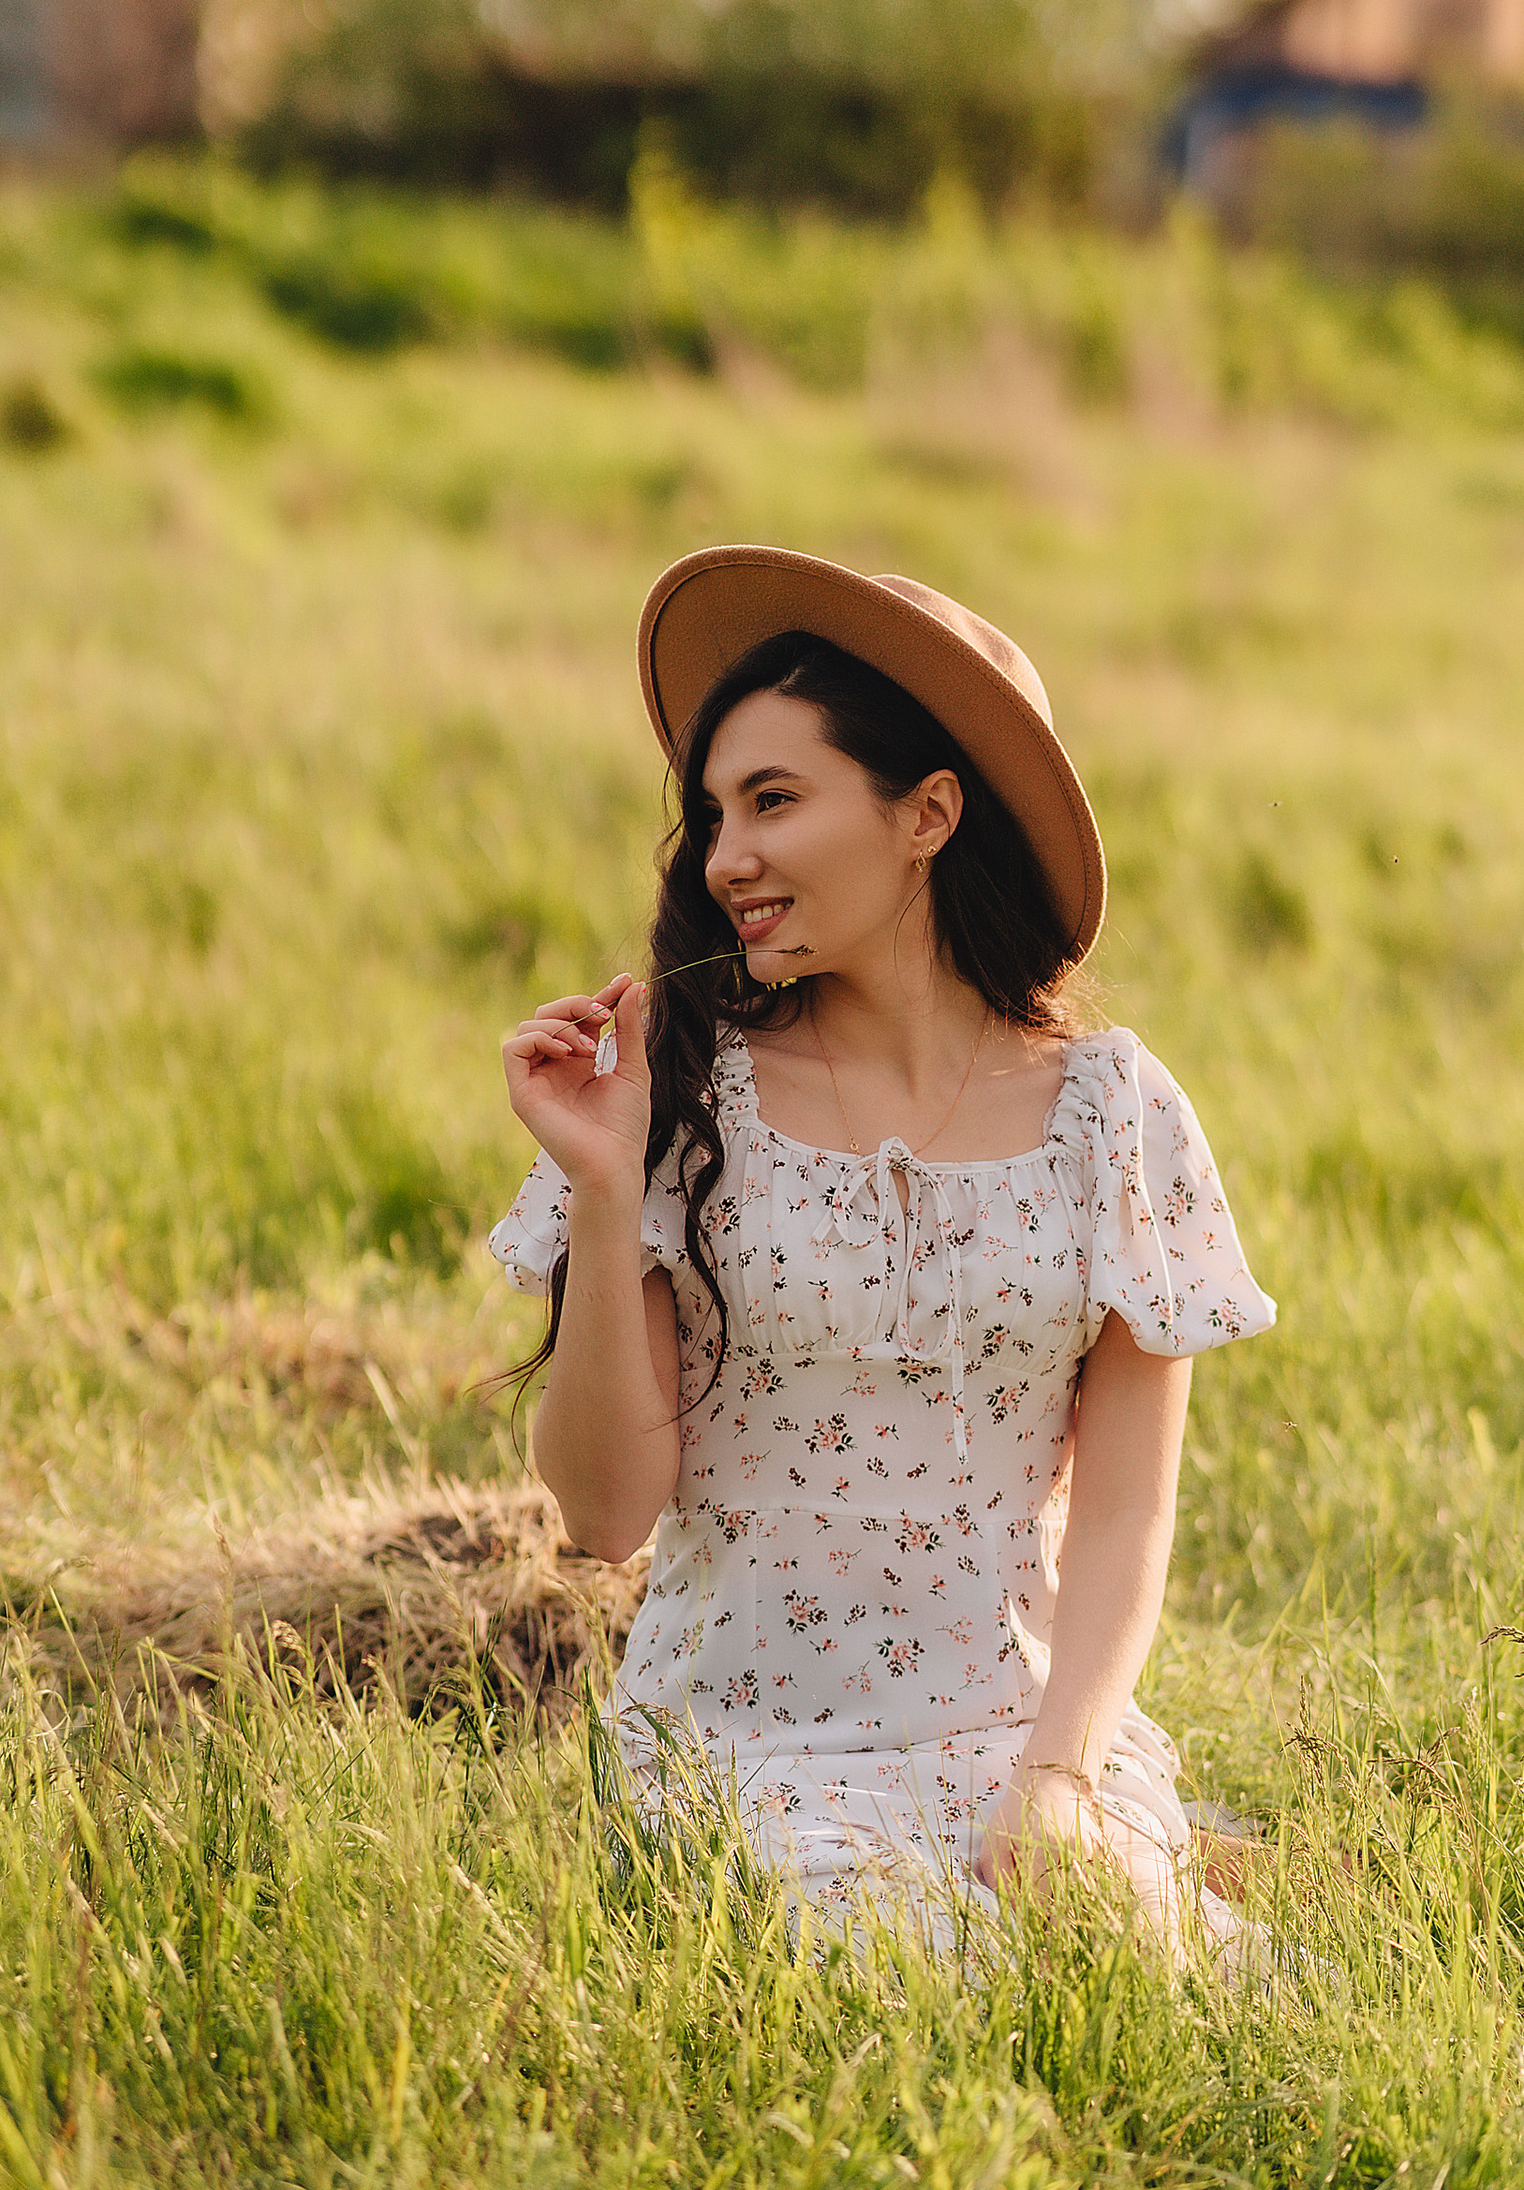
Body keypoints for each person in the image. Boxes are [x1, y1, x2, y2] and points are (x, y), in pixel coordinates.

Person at [492, 544, 1274, 1959]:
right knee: (911, 1987)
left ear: (928, 813)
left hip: (1023, 1747)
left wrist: (1062, 1778)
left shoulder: (1114, 1110)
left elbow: (1124, 1514)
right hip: (740, 1753)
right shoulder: (676, 1087)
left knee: (1186, 1994)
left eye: (774, 799)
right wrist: (606, 1193)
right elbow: (606, 1516)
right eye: (712, 811)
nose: (725, 855)